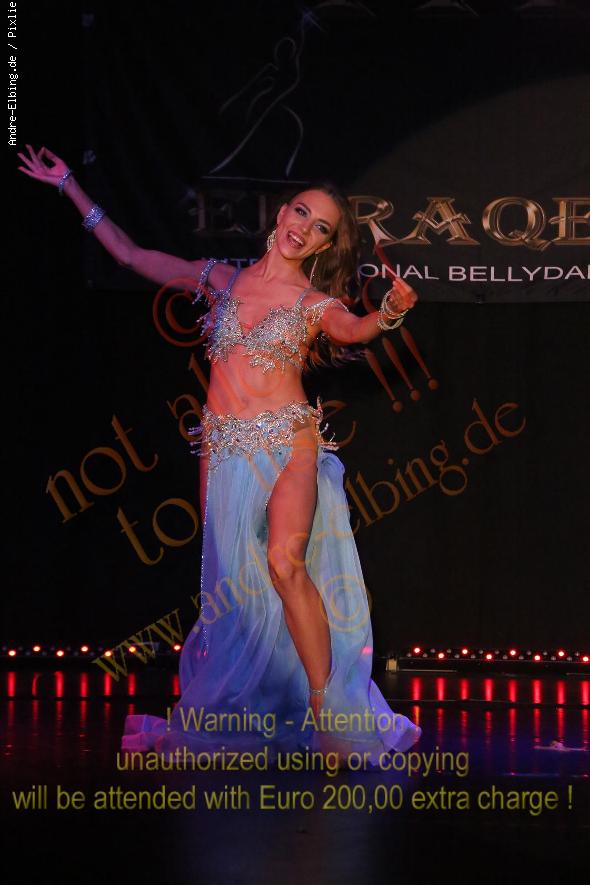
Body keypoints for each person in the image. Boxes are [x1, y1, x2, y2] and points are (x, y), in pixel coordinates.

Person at [18, 145, 422, 766]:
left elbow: (356, 328)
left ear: (324, 245)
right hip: (225, 450)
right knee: (235, 587)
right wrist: (69, 183)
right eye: (301, 212)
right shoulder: (221, 280)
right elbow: (130, 255)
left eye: (321, 228)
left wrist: (388, 313)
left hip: (290, 441)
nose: (304, 228)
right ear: (281, 213)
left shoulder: (314, 304)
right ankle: (265, 696)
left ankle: (329, 715)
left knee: (285, 563)